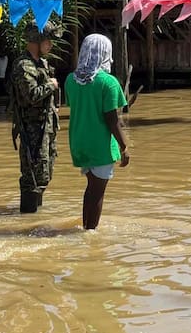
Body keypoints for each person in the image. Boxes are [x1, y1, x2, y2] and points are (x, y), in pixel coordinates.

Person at [64, 34, 130, 230]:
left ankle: (86, 227)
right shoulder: (108, 82)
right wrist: (124, 146)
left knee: (91, 188)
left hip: (79, 142)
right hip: (100, 145)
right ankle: (90, 232)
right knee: (98, 191)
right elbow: (112, 119)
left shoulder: (70, 80)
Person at [8, 22, 61, 213]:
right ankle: (28, 218)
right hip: (32, 130)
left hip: (45, 128)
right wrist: (51, 85)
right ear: (36, 41)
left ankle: (35, 218)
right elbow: (31, 95)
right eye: (48, 41)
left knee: (44, 173)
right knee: (32, 176)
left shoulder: (41, 63)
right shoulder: (24, 65)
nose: (51, 45)